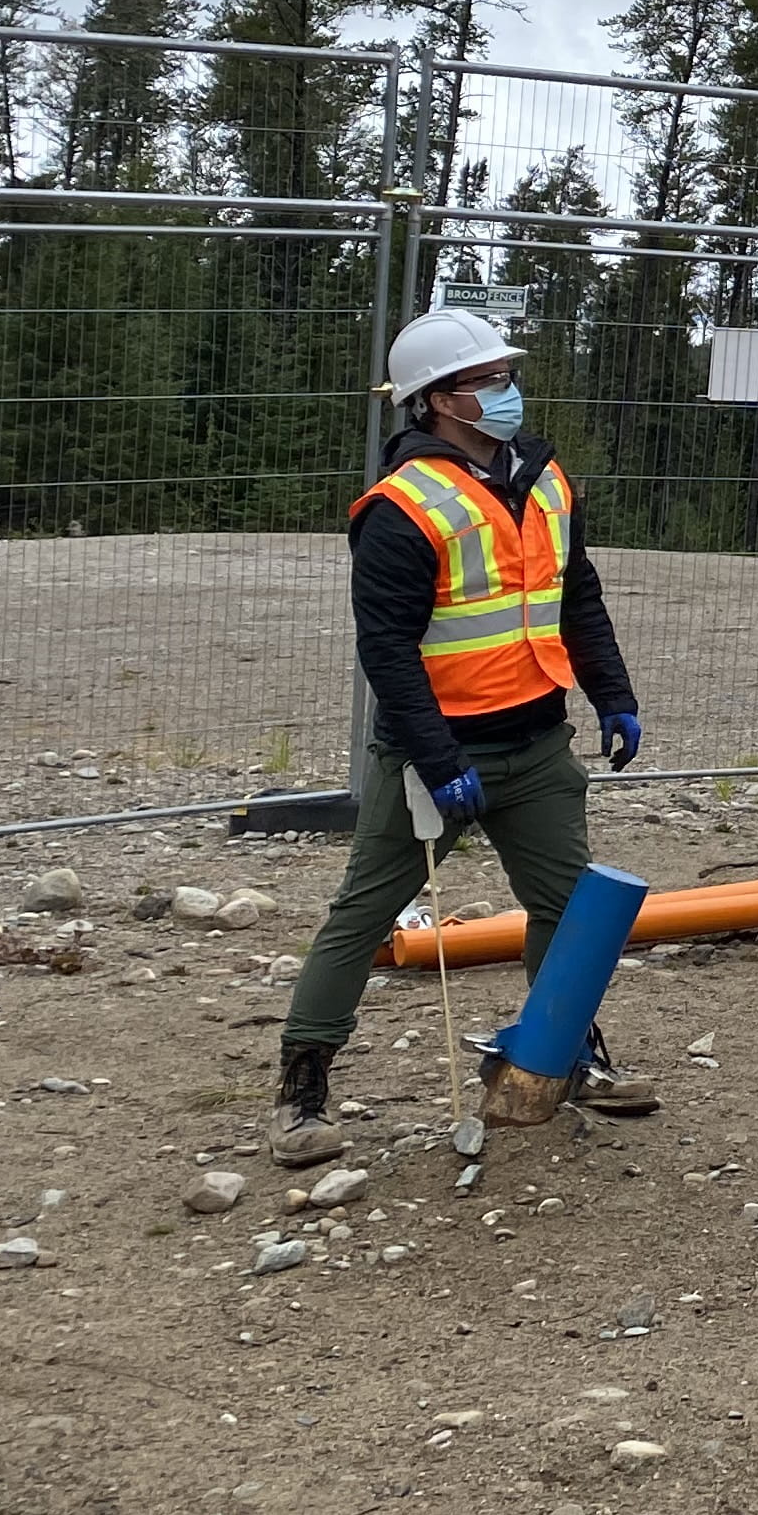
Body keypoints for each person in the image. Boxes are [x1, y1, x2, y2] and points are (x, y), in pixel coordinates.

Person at [273, 307, 654, 1164]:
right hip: (435, 754)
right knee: (364, 914)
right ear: (438, 401)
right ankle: (303, 1089)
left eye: (505, 375)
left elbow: (575, 592)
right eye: (486, 380)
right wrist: (438, 760)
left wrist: (612, 695)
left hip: (538, 743)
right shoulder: (400, 509)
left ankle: (560, 1057)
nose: (504, 390)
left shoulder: (544, 477)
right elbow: (388, 653)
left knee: (568, 911)